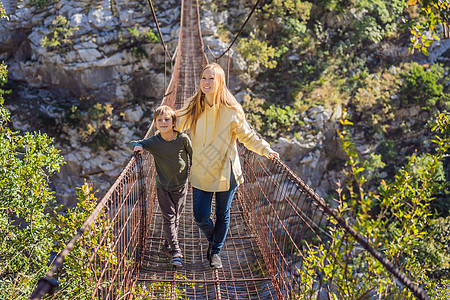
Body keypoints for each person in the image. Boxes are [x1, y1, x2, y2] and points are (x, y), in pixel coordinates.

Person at [176, 63, 279, 269]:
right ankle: (216, 241)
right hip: (200, 170)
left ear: (220, 82)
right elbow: (175, 124)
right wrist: (151, 140)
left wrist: (267, 150)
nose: (206, 82)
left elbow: (248, 137)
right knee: (201, 216)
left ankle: (215, 252)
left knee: (223, 214)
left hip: (226, 171)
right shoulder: (193, 107)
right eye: (203, 78)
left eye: (211, 78)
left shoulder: (232, 111)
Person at [129, 105, 192, 267]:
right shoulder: (154, 142)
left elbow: (194, 157)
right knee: (169, 218)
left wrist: (193, 178)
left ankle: (166, 245)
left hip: (182, 185)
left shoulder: (183, 139)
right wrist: (138, 146)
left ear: (173, 122)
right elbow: (133, 142)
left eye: (167, 119)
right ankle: (176, 251)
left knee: (176, 218)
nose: (163, 122)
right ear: (155, 124)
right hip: (163, 186)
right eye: (159, 120)